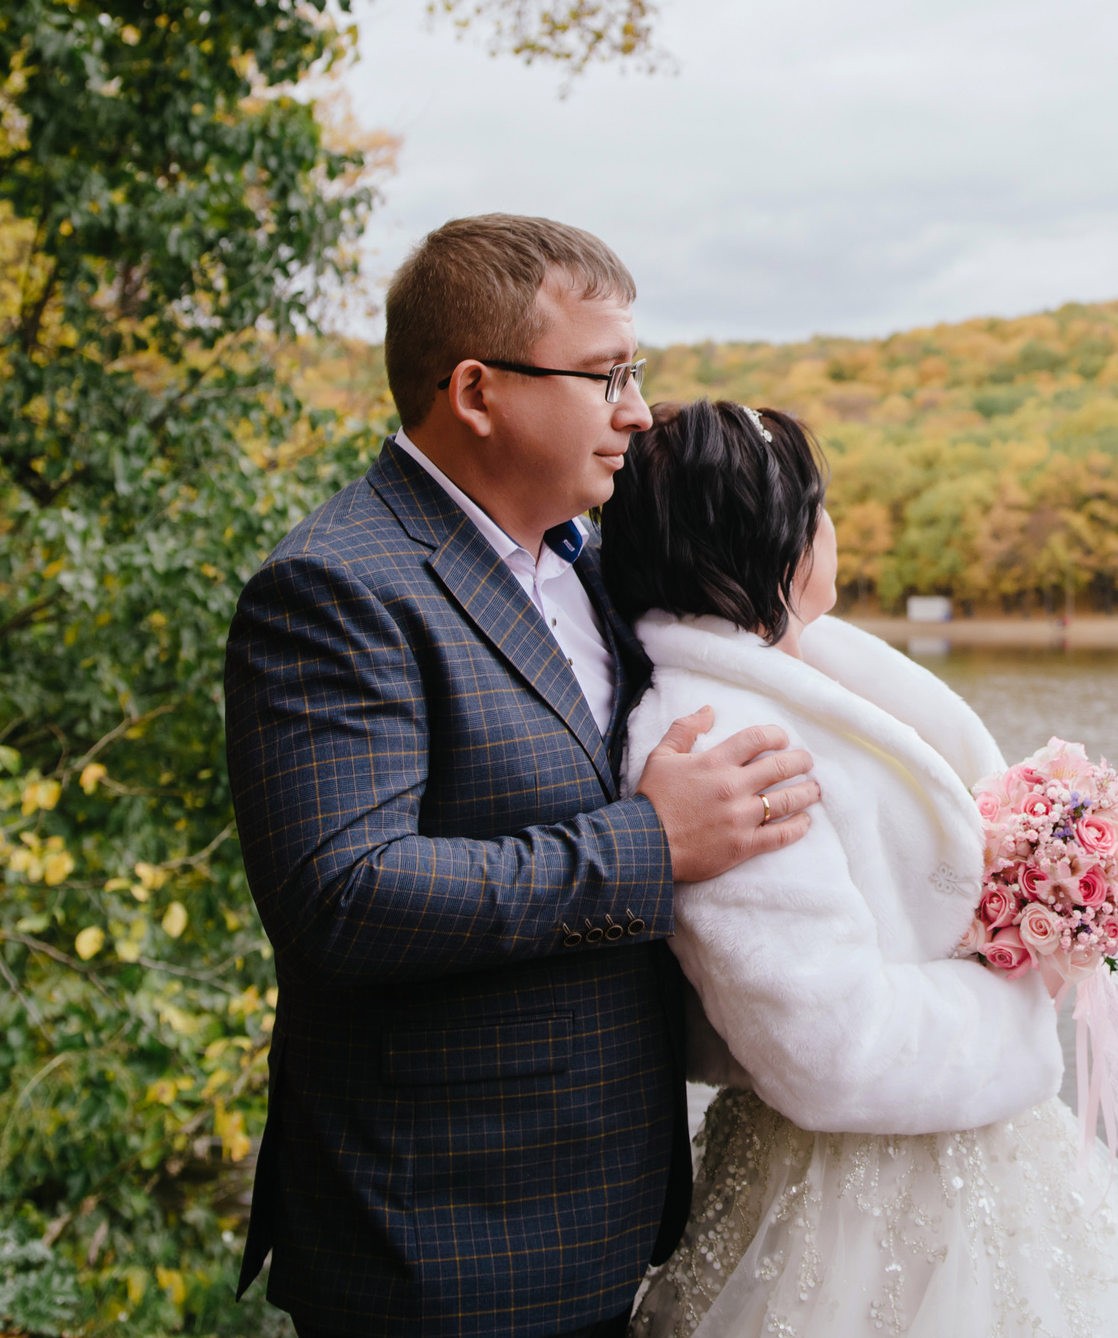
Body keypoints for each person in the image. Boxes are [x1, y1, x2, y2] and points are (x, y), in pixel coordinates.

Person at [223, 217, 824, 1338]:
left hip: (613, 1215)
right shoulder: (333, 587)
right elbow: (342, 896)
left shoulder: (591, 564)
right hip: (440, 1243)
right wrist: (651, 842)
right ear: (476, 390)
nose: (638, 411)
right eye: (607, 376)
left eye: (634, 375)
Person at [601, 401, 1118, 1337]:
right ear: (766, 538)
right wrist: (1012, 999)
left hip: (946, 1147)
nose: (834, 528)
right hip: (857, 1193)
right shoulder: (726, 740)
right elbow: (826, 1040)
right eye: (816, 506)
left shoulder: (793, 673)